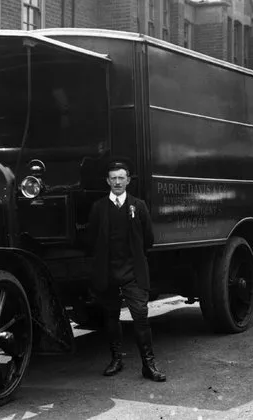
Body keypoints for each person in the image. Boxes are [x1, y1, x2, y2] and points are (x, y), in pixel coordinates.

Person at [87, 161, 166, 382]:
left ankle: (148, 366)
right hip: (108, 272)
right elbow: (91, 238)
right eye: (113, 178)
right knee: (111, 318)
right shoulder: (99, 208)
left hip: (133, 273)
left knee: (140, 317)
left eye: (121, 178)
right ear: (108, 181)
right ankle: (116, 360)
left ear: (128, 180)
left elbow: (148, 239)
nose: (117, 182)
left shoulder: (138, 206)